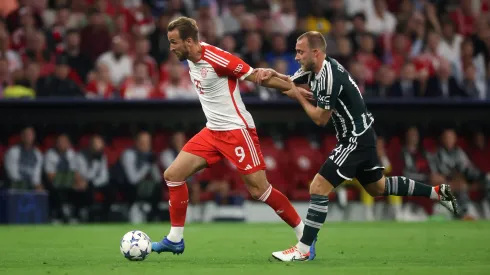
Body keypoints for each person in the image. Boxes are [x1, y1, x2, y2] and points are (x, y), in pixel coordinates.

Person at [255, 31, 459, 262]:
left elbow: (320, 119)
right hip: (364, 135)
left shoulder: (329, 77)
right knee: (378, 188)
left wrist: (297, 96)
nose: (297, 56)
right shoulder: (317, 68)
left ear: (316, 52)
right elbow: (291, 81)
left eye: (300, 51)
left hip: (354, 139)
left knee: (318, 187)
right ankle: (436, 192)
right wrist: (270, 74)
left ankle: (303, 249)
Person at [151, 16, 316, 259]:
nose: (171, 48)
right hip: (212, 131)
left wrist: (293, 89)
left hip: (237, 131)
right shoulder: (191, 57)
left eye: (174, 42)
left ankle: (305, 236)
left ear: (189, 41)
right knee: (173, 175)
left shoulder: (217, 58)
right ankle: (175, 239)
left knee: (259, 190)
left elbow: (260, 77)